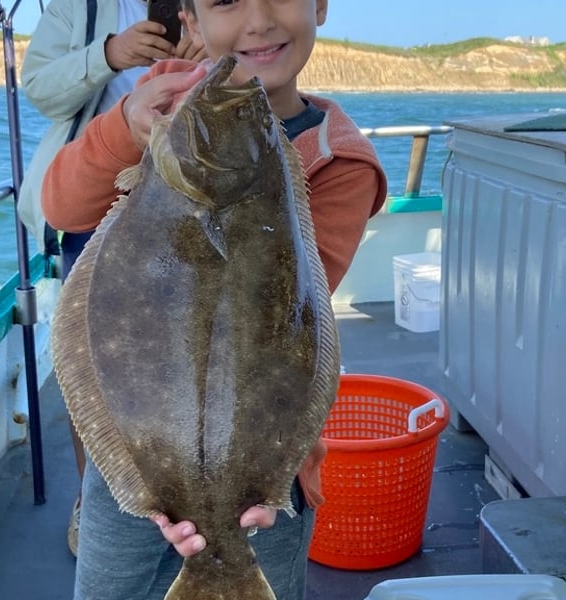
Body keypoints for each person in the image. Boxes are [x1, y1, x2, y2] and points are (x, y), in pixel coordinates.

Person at [41, 0, 387, 597]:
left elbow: (293, 318)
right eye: (226, 0)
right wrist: (125, 125)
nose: (258, 20)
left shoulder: (341, 159)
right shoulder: (158, 102)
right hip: (134, 445)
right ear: (192, 22)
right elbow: (61, 208)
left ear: (320, 5)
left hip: (267, 477)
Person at [17, 0, 205, 557]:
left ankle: (189, 494)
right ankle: (97, 496)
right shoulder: (76, 7)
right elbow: (40, 90)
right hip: (98, 195)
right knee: (96, 361)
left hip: (190, 201)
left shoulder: (215, 11)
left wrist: (212, 55)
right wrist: (108, 55)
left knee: (190, 355)